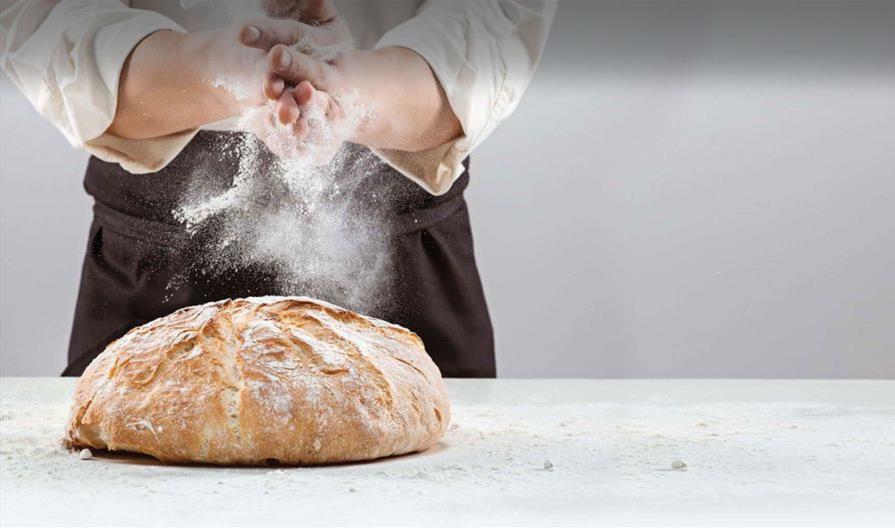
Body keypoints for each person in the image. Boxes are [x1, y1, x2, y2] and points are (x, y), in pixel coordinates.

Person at [0, 0, 555, 377]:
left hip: (407, 251)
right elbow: (42, 17)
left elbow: (493, 17)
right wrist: (223, 74)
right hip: (155, 262)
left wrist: (351, 93)